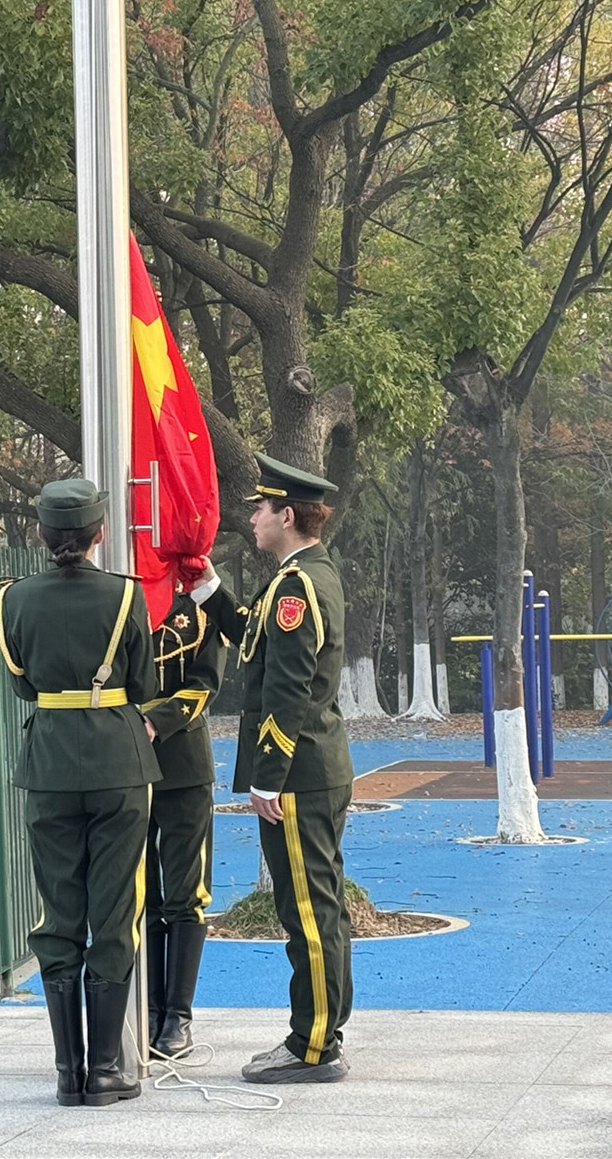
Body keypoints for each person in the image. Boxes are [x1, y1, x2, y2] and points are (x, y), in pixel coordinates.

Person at [0, 477, 160, 1107]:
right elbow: (143, 684)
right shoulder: (126, 595)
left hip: (49, 767)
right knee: (114, 911)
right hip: (119, 764)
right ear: (99, 534)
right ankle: (107, 1071)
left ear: (41, 534)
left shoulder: (12, 599)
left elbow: (22, 685)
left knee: (60, 912)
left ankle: (68, 1072)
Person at [215, 453, 354, 1084]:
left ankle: (315, 1045)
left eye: (261, 508)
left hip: (298, 774)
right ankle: (318, 1033)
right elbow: (255, 635)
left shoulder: (297, 586)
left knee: (308, 913)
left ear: (287, 516)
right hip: (313, 768)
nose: (252, 517)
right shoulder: (304, 574)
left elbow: (290, 688)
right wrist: (206, 588)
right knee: (316, 906)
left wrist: (267, 775)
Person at [140, 573, 226, 1057]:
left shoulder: (198, 605)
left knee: (185, 893)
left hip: (184, 764)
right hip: (127, 763)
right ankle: (150, 1007)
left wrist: (157, 720)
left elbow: (206, 682)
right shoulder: (122, 597)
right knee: (141, 891)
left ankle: (178, 1015)